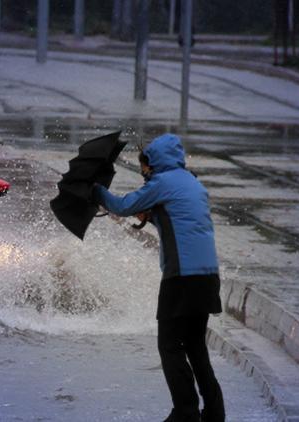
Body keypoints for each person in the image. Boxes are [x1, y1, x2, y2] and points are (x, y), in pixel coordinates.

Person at [93, 133, 225, 422]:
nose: (144, 175)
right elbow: (181, 219)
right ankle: (214, 413)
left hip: (182, 277)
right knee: (195, 345)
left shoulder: (162, 182)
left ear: (154, 163)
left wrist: (95, 190)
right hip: (207, 277)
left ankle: (186, 412)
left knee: (169, 345)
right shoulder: (192, 182)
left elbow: (122, 205)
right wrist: (151, 217)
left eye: (145, 169)